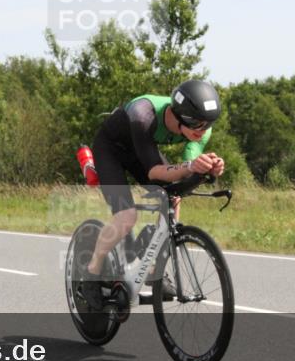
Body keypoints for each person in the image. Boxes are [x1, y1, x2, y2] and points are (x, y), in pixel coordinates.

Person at [81, 79, 226, 309]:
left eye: (208, 125)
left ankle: (154, 269)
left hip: (141, 151)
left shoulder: (201, 129)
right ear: (181, 116)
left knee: (173, 198)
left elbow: (185, 170)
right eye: (198, 125)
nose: (204, 131)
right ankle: (91, 272)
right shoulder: (143, 114)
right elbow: (154, 170)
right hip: (110, 149)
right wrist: (191, 167)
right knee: (126, 217)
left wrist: (209, 169)